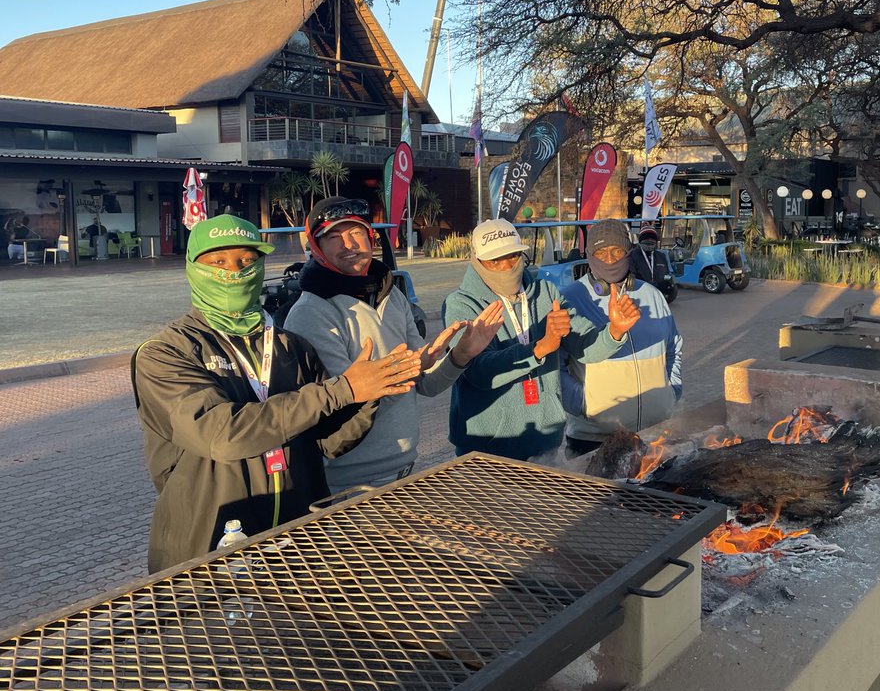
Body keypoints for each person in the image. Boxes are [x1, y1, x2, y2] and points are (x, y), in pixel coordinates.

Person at [132, 214, 421, 573]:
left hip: (297, 540)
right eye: (218, 262)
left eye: (246, 261)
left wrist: (371, 390)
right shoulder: (165, 354)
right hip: (207, 545)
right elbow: (222, 434)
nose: (234, 272)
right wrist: (341, 389)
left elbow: (328, 442)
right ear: (192, 269)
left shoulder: (290, 345)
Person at [283, 197, 505, 492]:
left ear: (371, 237)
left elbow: (425, 384)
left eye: (356, 233)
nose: (348, 245)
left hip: (404, 466)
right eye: (334, 237)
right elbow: (343, 403)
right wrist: (411, 366)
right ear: (316, 248)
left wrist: (461, 355)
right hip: (346, 481)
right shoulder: (311, 312)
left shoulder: (391, 294)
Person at [442, 218, 641, 460]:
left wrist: (615, 331)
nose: (507, 267)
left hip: (546, 444)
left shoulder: (546, 293)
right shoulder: (461, 304)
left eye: (513, 256)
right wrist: (539, 349)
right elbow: (479, 373)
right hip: (485, 452)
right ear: (476, 261)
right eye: (495, 260)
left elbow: (586, 348)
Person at [560, 220, 683, 456]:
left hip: (652, 433)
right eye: (601, 252)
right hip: (592, 439)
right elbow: (555, 365)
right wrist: (585, 404)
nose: (609, 259)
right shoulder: (569, 299)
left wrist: (671, 391)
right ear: (589, 256)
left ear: (628, 253)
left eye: (616, 251)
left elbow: (674, 348)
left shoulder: (652, 295)